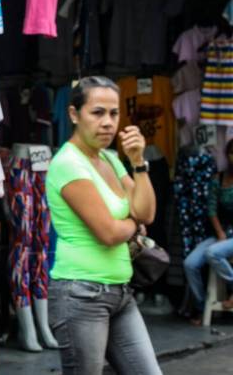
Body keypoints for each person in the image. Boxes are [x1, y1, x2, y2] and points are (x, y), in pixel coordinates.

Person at [45, 76, 161, 375]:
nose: (108, 122)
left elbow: (146, 213)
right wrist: (132, 225)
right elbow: (108, 233)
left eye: (113, 113)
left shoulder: (110, 159)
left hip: (120, 291)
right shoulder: (68, 163)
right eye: (97, 112)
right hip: (81, 294)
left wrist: (138, 162)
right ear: (74, 114)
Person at [184, 138, 233, 323]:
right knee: (190, 263)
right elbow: (211, 209)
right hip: (221, 233)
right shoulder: (218, 178)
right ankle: (201, 306)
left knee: (213, 253)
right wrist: (220, 232)